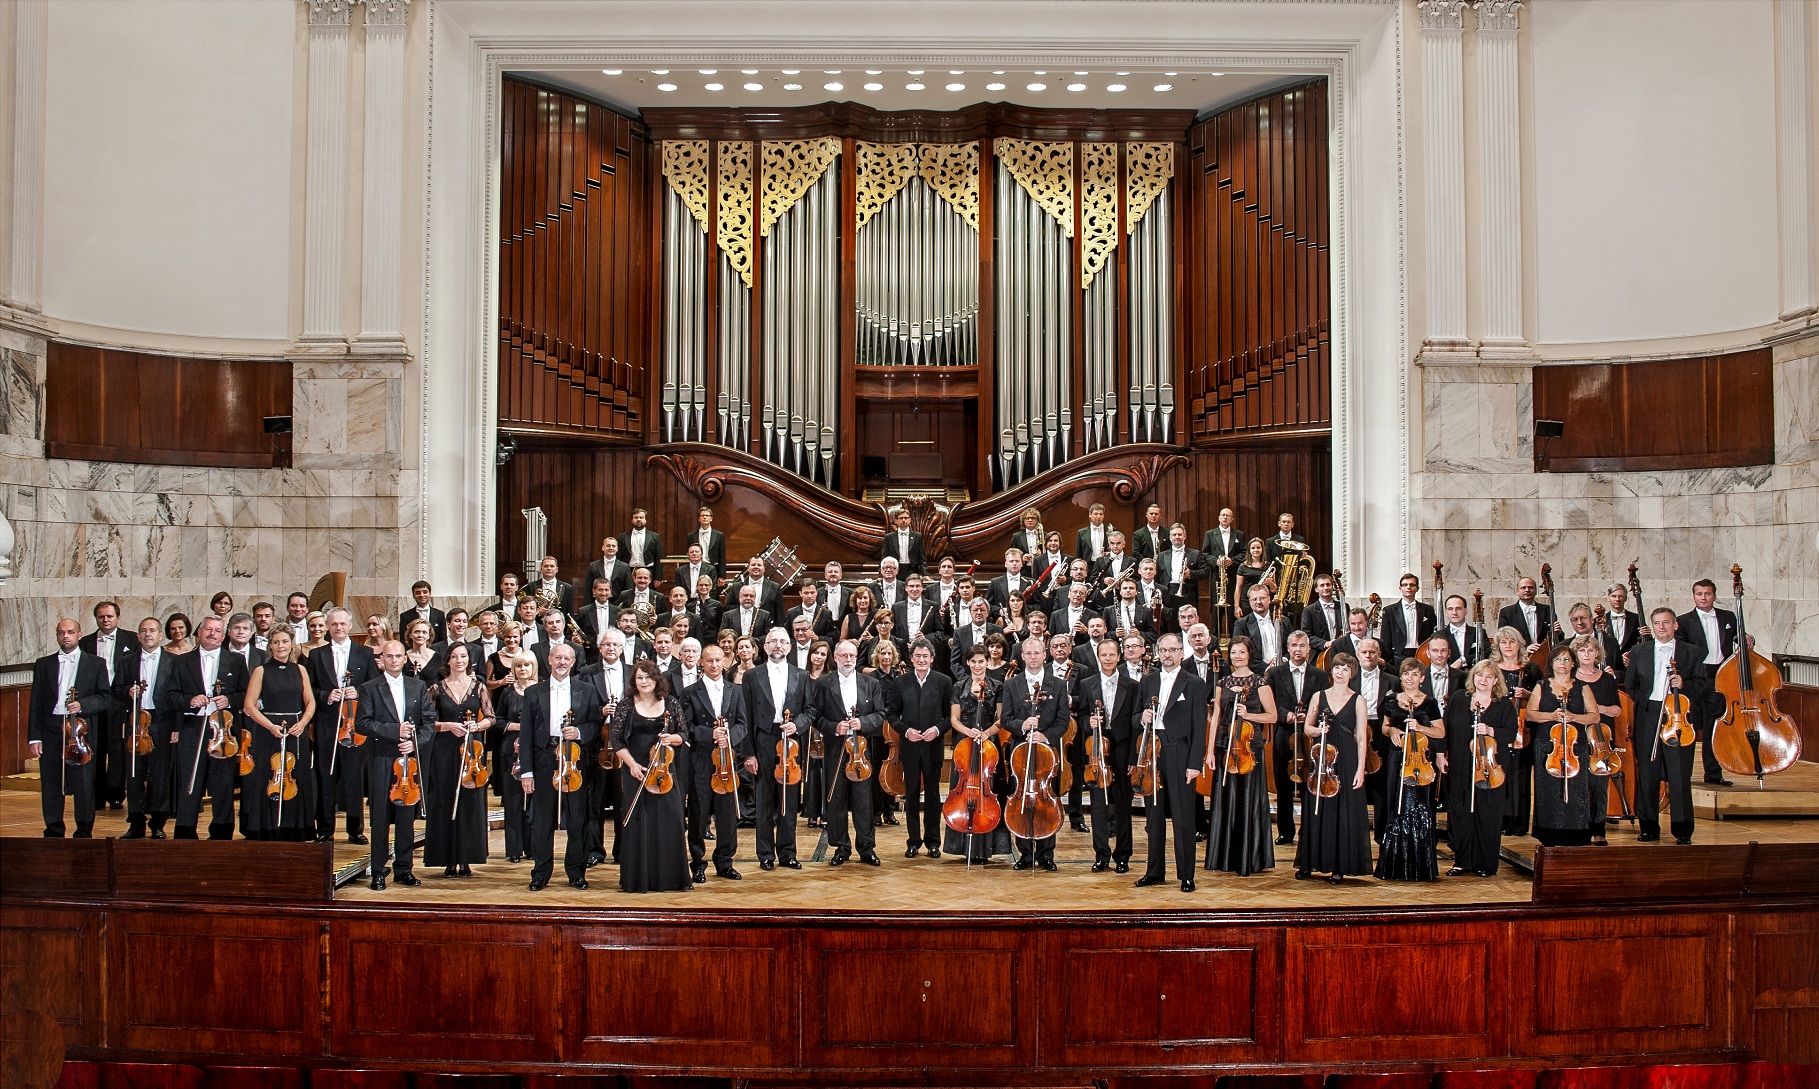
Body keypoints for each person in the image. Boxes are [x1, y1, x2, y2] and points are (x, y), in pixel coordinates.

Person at [1623, 606, 1709, 845]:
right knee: (1648, 774)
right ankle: (1649, 827)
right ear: (1652, 626)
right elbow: (1631, 684)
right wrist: (1646, 704)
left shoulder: (1691, 652)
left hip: (1678, 715)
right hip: (1649, 714)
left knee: (1679, 775)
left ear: (1675, 625)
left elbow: (1702, 684)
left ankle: (1683, 830)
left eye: (1666, 623)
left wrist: (1684, 683)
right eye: (1657, 623)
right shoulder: (1639, 651)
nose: (1661, 627)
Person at [519, 642, 601, 890]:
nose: (562, 662)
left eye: (567, 658)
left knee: (577, 820)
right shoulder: (533, 692)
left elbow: (596, 726)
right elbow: (526, 734)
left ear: (573, 662)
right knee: (543, 821)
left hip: (574, 760)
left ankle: (576, 872)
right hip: (544, 759)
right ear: (550, 660)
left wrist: (579, 732)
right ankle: (541, 873)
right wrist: (527, 771)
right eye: (558, 658)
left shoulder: (587, 690)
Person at [1133, 633, 1208, 891]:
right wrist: (1141, 717)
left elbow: (1199, 726)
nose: (1167, 654)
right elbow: (1135, 716)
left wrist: (1194, 763)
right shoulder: (1148, 680)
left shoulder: (1194, 683)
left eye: (1173, 650)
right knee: (1153, 816)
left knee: (1182, 815)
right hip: (1152, 752)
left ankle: (1186, 874)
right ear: (1157, 653)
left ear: (1181, 653)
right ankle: (1154, 871)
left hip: (1179, 751)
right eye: (1163, 650)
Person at [356, 640, 433, 889]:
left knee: (406, 815)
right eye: (389, 656)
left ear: (405, 658)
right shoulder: (369, 688)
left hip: (408, 759)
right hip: (381, 757)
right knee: (379, 816)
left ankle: (403, 868)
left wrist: (415, 744)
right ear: (382, 659)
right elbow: (362, 724)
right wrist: (394, 730)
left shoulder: (418, 686)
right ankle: (378, 870)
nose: (394, 660)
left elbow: (429, 722)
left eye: (398, 656)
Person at [611, 659, 691, 892]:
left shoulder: (671, 703)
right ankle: (639, 879)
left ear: (657, 679)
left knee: (670, 819)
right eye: (639, 678)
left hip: (664, 770)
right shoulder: (626, 704)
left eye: (648, 677)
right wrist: (633, 765)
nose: (644, 681)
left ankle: (670, 878)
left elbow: (683, 734)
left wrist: (671, 738)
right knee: (638, 823)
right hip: (636, 770)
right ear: (634, 681)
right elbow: (616, 740)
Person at [168, 615, 250, 840]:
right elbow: (171, 695)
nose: (212, 634)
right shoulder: (182, 661)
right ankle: (185, 833)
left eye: (217, 631)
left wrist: (229, 700)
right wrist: (190, 700)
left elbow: (246, 694)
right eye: (208, 630)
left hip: (223, 729)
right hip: (192, 728)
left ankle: (222, 833)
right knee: (190, 782)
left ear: (223, 636)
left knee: (223, 783)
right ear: (199, 632)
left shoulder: (236, 660)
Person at [28, 619, 111, 838]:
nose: (65, 636)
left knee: (83, 782)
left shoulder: (96, 663)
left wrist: (82, 705)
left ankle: (83, 829)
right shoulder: (43, 664)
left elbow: (104, 696)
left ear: (79, 635)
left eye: (70, 632)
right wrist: (34, 737)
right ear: (57, 635)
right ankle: (53, 828)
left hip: (80, 729)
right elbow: (36, 702)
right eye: (61, 632)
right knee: (51, 781)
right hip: (51, 728)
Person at [1295, 652, 1371, 884]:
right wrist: (1318, 731)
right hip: (1322, 759)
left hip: (1346, 760)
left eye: (1345, 669)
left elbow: (1361, 737)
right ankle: (1310, 862)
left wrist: (1360, 769)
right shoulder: (1319, 696)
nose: (1340, 672)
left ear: (1352, 674)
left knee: (1343, 811)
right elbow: (1307, 728)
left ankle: (1339, 866)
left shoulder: (1358, 700)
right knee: (1317, 809)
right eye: (1337, 667)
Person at [1204, 637, 1277, 877]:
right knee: (1225, 799)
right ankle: (1224, 856)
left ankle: (1249, 857)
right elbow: (1216, 717)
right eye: (1234, 652)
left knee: (1248, 799)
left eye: (1242, 652)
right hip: (1225, 746)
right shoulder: (1223, 682)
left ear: (1249, 654)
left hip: (1249, 748)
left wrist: (1248, 715)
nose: (1237, 656)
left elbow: (1272, 716)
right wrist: (1210, 751)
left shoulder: (1260, 682)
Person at [306, 607, 378, 845]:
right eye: (334, 624)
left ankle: (355, 829)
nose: (338, 628)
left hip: (354, 725)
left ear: (350, 626)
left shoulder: (364, 653)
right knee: (326, 776)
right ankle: (325, 829)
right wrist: (327, 695)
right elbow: (310, 689)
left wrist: (358, 692)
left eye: (342, 624)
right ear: (328, 627)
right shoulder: (316, 655)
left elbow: (374, 685)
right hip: (327, 723)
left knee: (354, 777)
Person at [747, 626, 816, 870]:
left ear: (789, 646)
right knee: (764, 799)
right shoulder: (752, 676)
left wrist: (797, 725)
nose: (778, 645)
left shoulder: (802, 675)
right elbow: (745, 716)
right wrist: (749, 753)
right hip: (764, 740)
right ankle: (765, 854)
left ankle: (787, 853)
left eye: (782, 641)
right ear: (765, 647)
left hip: (791, 741)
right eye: (773, 641)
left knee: (789, 799)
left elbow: (810, 710)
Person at [1443, 660, 1520, 876]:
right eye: (1479, 675)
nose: (1483, 680)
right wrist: (1440, 754)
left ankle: (1484, 863)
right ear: (1473, 677)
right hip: (1460, 765)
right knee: (1460, 813)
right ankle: (1461, 861)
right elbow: (1445, 727)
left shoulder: (1503, 704)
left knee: (1488, 814)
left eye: (1488, 677)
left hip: (1489, 768)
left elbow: (1511, 733)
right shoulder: (1459, 698)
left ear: (1496, 681)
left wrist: (1491, 730)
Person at [815, 640, 886, 866]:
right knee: (836, 799)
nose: (848, 660)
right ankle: (841, 847)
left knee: (863, 801)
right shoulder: (823, 684)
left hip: (861, 751)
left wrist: (862, 722)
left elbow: (880, 714)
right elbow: (815, 716)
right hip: (836, 749)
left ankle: (867, 848)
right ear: (835, 657)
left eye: (852, 656)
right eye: (843, 656)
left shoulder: (871, 683)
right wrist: (834, 727)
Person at [424, 643, 493, 876]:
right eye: (454, 656)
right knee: (444, 799)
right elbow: (427, 722)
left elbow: (491, 718)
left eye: (463, 656)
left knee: (469, 801)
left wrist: (477, 725)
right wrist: (447, 726)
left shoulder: (479, 687)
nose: (459, 660)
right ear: (448, 660)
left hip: (472, 749)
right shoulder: (437, 688)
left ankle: (467, 858)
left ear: (469, 660)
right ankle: (447, 859)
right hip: (445, 749)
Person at [241, 628, 315, 841]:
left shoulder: (300, 669)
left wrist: (303, 723)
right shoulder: (261, 671)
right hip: (269, 732)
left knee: (296, 776)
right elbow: (249, 705)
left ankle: (295, 827)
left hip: (295, 731)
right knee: (269, 776)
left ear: (291, 644)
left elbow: (310, 701)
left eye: (284, 641)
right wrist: (270, 726)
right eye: (276, 642)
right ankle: (268, 827)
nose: (280, 646)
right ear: (270, 646)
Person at [683, 643, 747, 882]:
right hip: (701, 759)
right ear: (701, 663)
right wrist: (709, 734)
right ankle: (698, 863)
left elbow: (743, 724)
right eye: (709, 660)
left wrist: (728, 737)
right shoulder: (690, 692)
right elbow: (686, 726)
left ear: (724, 663)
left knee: (727, 814)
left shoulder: (735, 690)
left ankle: (725, 862)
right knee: (699, 813)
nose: (714, 665)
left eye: (718, 660)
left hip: (726, 760)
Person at [942, 646, 1011, 862]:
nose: (978, 665)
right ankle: (962, 846)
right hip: (965, 745)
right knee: (962, 792)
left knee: (990, 792)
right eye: (973, 661)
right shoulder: (959, 686)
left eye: (981, 661)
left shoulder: (998, 686)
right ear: (968, 663)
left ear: (988, 662)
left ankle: (987, 848)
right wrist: (968, 732)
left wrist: (986, 733)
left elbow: (1001, 719)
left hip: (988, 745)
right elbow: (954, 719)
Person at [1376, 657, 1442, 880]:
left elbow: (1440, 732)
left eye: (1415, 674)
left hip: (1420, 761)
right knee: (1395, 804)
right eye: (1406, 674)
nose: (1410, 678)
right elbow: (1385, 727)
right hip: (1397, 758)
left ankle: (1420, 866)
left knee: (1419, 806)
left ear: (1422, 678)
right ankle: (1393, 865)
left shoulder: (1429, 702)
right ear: (1401, 677)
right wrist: (1392, 731)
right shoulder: (1391, 700)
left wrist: (1421, 727)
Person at [1525, 646, 1597, 848]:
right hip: (1548, 746)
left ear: (1573, 663)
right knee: (1547, 789)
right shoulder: (1541, 686)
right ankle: (1549, 832)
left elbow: (1594, 716)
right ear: (1551, 663)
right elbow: (1530, 714)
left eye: (1566, 659)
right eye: (1558, 659)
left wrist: (1574, 717)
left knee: (1576, 790)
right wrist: (1551, 716)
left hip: (1575, 747)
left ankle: (1577, 831)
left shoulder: (1582, 687)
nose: (1562, 663)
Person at [1265, 631, 1327, 845]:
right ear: (1288, 648)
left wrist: (1308, 715)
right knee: (1283, 782)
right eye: (1294, 645)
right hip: (1284, 732)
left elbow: (1323, 702)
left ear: (1308, 649)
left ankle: (1308, 830)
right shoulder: (1275, 673)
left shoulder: (1320, 675)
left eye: (1302, 646)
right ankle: (1285, 831)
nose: (1298, 649)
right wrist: (1287, 715)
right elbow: (1270, 701)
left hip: (1309, 734)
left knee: (1309, 781)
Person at [117, 616, 176, 839]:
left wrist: (176, 727)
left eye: (152, 630)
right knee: (134, 774)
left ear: (160, 635)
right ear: (138, 636)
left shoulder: (174, 661)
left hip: (162, 722)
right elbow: (115, 690)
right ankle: (135, 822)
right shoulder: (126, 661)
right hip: (135, 721)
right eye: (143, 630)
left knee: (160, 776)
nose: (147, 634)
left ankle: (158, 823)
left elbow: (176, 695)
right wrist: (128, 692)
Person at [894, 638, 953, 858]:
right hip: (910, 746)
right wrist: (906, 731)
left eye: (925, 656)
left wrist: (937, 730)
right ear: (911, 658)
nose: (921, 660)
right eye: (917, 656)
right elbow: (892, 714)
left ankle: (933, 842)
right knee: (910, 795)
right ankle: (913, 842)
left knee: (932, 795)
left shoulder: (943, 681)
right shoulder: (901, 682)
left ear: (932, 658)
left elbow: (950, 715)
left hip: (933, 746)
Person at [1678, 578, 1739, 786]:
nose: (1703, 598)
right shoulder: (1684, 621)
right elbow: (1681, 651)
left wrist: (1747, 638)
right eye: (1699, 594)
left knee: (1714, 727)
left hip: (1720, 677)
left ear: (1714, 596)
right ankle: (1683, 775)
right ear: (1693, 596)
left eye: (1707, 594)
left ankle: (1713, 774)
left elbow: (1737, 637)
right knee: (1690, 726)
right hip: (1695, 678)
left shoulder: (1728, 617)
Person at [78, 601, 136, 813]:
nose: (105, 620)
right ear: (96, 619)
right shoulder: (85, 642)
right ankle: (96, 795)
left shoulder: (131, 639)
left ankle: (116, 794)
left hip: (119, 700)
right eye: (101, 616)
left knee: (117, 747)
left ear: (118, 618)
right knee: (94, 746)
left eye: (110, 616)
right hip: (94, 700)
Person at [1571, 634, 1624, 845]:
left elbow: (1617, 710)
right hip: (1577, 738)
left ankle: (1599, 830)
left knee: (1600, 787)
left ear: (1597, 653)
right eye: (1582, 650)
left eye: (1591, 650)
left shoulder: (1607, 679)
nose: (1586, 654)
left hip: (1602, 741)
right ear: (1576, 653)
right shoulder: (1571, 680)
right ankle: (1580, 828)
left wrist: (1597, 709)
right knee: (1579, 786)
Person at [1490, 626, 1542, 837]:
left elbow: (1542, 697)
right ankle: (1502, 820)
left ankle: (1519, 823)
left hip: (1524, 729)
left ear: (1520, 645)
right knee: (1501, 771)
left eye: (1512, 642)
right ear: (1498, 646)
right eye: (1503, 642)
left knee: (1521, 775)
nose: (1508, 646)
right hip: (1500, 727)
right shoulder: (1493, 669)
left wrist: (1528, 694)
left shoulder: (1531, 670)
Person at [492, 645, 536, 864]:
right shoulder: (508, 693)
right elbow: (498, 719)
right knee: (513, 800)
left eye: (526, 665)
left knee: (534, 802)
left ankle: (532, 847)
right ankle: (514, 849)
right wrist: (515, 726)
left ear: (533, 667)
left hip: (535, 751)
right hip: (511, 750)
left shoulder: (541, 690)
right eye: (518, 665)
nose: (523, 669)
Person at [1230, 538, 1275, 618]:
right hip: (1246, 601)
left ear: (1262, 549)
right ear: (1249, 550)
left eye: (1258, 547)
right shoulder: (1243, 566)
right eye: (1253, 548)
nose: (1256, 550)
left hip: (1263, 600)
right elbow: (1238, 587)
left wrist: (1270, 583)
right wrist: (1236, 606)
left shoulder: (1269, 566)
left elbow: (1274, 589)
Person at [399, 580, 446, 645]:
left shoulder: (440, 614)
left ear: (430, 593)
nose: (421, 595)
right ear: (413, 595)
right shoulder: (405, 616)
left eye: (425, 592)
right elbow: (404, 640)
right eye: (418, 593)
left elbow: (443, 640)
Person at [402, 618, 443, 682]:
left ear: (428, 636)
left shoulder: (438, 658)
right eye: (416, 632)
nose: (420, 635)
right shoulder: (403, 657)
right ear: (410, 635)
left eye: (424, 632)